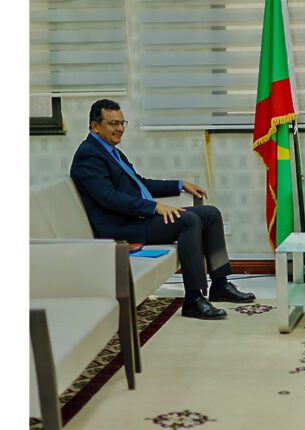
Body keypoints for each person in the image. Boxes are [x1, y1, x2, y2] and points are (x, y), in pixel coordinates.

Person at [70, 99, 255, 320]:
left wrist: (179, 184)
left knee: (210, 214)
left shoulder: (111, 151)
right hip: (119, 228)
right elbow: (108, 198)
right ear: (94, 126)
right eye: (113, 123)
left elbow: (140, 184)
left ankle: (220, 285)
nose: (119, 128)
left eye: (122, 123)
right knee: (189, 221)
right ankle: (193, 299)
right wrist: (154, 207)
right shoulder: (89, 155)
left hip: (135, 218)